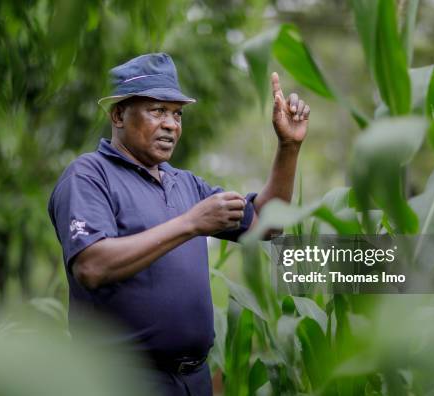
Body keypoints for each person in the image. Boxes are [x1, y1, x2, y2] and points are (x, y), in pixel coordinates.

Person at [48, 53, 310, 396]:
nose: (171, 124)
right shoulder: (89, 176)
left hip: (193, 380)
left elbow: (266, 224)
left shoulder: (184, 184)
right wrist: (190, 223)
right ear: (118, 114)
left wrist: (289, 146)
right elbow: (92, 265)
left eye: (177, 113)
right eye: (157, 111)